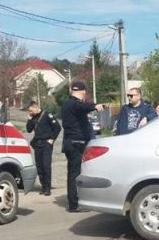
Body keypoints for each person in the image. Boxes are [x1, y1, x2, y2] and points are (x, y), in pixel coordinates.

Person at [61, 82, 104, 212]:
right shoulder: (75, 104)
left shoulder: (66, 104)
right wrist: (95, 106)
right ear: (83, 92)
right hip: (76, 143)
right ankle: (74, 204)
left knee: (73, 173)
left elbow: (81, 107)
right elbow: (82, 106)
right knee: (75, 174)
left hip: (70, 142)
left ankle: (76, 200)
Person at [26, 101, 61, 196]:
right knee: (39, 167)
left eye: (31, 110)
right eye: (29, 111)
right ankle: (43, 186)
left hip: (46, 143)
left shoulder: (47, 115)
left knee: (46, 166)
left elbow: (57, 127)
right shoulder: (33, 117)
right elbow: (29, 130)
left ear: (36, 107)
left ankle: (48, 188)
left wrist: (52, 139)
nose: (30, 112)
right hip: (37, 144)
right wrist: (29, 119)